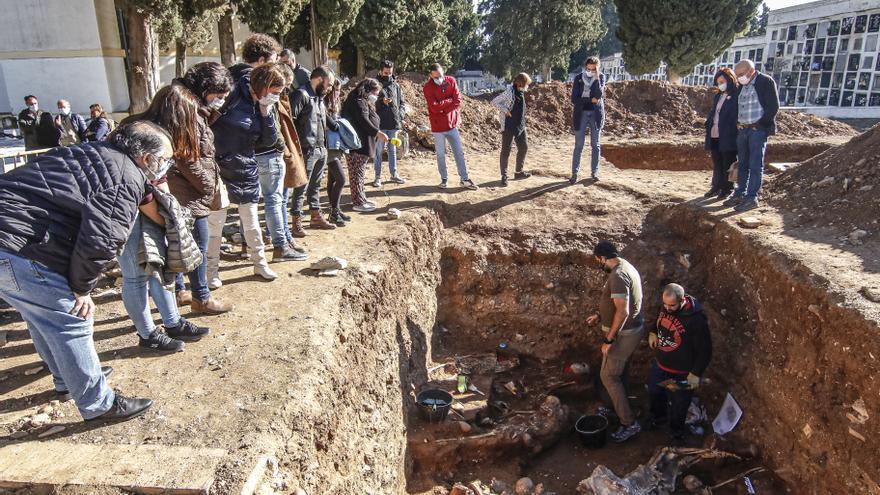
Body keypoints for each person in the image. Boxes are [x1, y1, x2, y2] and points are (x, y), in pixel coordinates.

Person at [0, 121, 165, 422]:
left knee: (41, 318)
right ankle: (99, 404)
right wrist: (82, 288)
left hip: (11, 240)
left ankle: (67, 379)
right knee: (72, 321)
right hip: (19, 246)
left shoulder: (91, 151)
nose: (164, 165)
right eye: (163, 158)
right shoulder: (127, 176)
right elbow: (102, 240)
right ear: (145, 158)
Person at [164, 62, 237, 313]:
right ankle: (201, 298)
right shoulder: (185, 110)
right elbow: (187, 156)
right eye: (220, 95)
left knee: (178, 243)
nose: (222, 100)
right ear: (206, 88)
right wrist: (208, 186)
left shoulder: (185, 104)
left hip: (181, 188)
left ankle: (180, 292)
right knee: (197, 244)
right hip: (186, 190)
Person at [213, 62, 285, 281]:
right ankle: (211, 272)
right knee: (215, 224)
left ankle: (260, 264)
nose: (275, 97)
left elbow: (270, 140)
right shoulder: (232, 96)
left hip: (247, 166)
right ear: (262, 86)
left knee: (252, 222)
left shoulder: (263, 106)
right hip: (220, 168)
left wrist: (265, 112)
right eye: (273, 93)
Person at [253, 66, 315, 259]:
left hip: (276, 154)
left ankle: (285, 239)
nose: (282, 94)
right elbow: (274, 132)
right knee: (274, 201)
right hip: (270, 155)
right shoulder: (262, 104)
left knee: (278, 200)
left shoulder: (268, 99)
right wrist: (283, 148)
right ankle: (280, 244)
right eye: (280, 90)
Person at [585, 240, 644, 443]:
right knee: (617, 373)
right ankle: (613, 407)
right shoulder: (625, 267)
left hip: (623, 335)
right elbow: (617, 305)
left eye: (598, 260)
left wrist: (608, 339)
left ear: (602, 258)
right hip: (628, 331)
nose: (599, 264)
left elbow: (623, 310)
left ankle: (629, 423)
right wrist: (600, 315)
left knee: (608, 376)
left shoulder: (618, 275)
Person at [647, 284, 712, 441]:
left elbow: (705, 350)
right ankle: (659, 419)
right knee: (655, 392)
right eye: (665, 304)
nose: (667, 308)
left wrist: (695, 374)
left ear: (682, 300)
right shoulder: (665, 308)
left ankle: (676, 434)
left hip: (682, 373)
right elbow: (658, 320)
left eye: (672, 305)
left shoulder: (696, 320)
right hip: (661, 365)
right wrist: (653, 332)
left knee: (679, 405)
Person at [723, 59, 779, 213]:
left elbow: (773, 106)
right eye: (737, 74)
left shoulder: (765, 82)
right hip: (743, 130)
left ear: (751, 71)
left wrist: (760, 125)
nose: (739, 77)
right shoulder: (741, 86)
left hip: (757, 131)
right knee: (742, 163)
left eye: (741, 74)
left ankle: (752, 197)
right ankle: (739, 193)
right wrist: (737, 123)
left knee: (755, 165)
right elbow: (736, 106)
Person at [289, 66, 339, 235]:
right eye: (329, 84)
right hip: (306, 149)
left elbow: (324, 119)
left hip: (320, 148)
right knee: (301, 186)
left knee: (316, 185)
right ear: (319, 79)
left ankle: (316, 217)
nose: (330, 88)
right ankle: (296, 221)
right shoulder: (301, 95)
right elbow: (290, 122)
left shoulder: (318, 98)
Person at [423, 63, 477, 191]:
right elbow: (433, 107)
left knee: (459, 153)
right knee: (441, 154)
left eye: (440, 75)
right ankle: (444, 179)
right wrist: (448, 101)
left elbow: (458, 100)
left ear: (443, 72)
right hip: (437, 127)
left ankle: (464, 179)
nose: (439, 79)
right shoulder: (427, 87)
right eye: (436, 77)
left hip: (452, 125)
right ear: (431, 75)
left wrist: (445, 109)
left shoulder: (451, 81)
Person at [275, 63, 312, 246]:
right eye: (286, 84)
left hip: (287, 152)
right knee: (279, 200)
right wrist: (285, 149)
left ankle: (285, 235)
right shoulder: (272, 101)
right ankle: (283, 239)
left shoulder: (282, 98)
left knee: (282, 199)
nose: (288, 88)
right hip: (279, 154)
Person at [343, 78, 388, 213]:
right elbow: (363, 121)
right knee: (357, 173)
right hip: (359, 144)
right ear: (369, 91)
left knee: (358, 173)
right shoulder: (359, 102)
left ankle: (361, 198)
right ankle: (358, 202)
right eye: (376, 93)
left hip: (361, 143)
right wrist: (378, 133)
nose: (376, 96)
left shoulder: (360, 100)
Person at [491, 72, 533, 186]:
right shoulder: (509, 92)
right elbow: (494, 102)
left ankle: (519, 172)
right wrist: (505, 110)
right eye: (527, 84)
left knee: (524, 147)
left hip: (520, 125)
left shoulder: (521, 91)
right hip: (508, 125)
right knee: (506, 150)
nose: (527, 86)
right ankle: (504, 176)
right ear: (521, 83)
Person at [570, 57, 606, 184]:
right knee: (578, 145)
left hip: (596, 114)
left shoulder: (600, 77)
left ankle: (594, 172)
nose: (590, 70)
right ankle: (575, 173)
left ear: (597, 67)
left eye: (593, 68)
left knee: (595, 145)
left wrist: (596, 78)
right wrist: (590, 100)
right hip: (581, 114)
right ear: (585, 66)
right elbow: (574, 99)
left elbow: (599, 95)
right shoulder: (578, 78)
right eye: (589, 68)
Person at [703, 69, 738, 199]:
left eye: (722, 82)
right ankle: (716, 187)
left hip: (728, 135)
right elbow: (714, 113)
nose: (720, 85)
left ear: (730, 80)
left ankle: (727, 189)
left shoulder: (736, 95)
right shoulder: (718, 96)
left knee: (727, 163)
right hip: (715, 133)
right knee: (717, 162)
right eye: (718, 83)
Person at [372, 60, 407, 187]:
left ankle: (394, 174)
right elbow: (370, 103)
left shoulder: (396, 86)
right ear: (380, 71)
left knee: (392, 150)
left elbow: (402, 103)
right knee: (378, 152)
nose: (388, 75)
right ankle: (377, 177)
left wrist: (400, 115)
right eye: (386, 72)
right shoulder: (374, 85)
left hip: (394, 124)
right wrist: (382, 102)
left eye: (390, 72)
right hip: (380, 125)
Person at [324, 80, 350, 226]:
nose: (339, 93)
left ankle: (336, 209)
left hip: (336, 145)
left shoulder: (336, 104)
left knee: (332, 180)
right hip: (328, 147)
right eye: (337, 90)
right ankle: (333, 213)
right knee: (341, 179)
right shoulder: (324, 104)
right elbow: (330, 125)